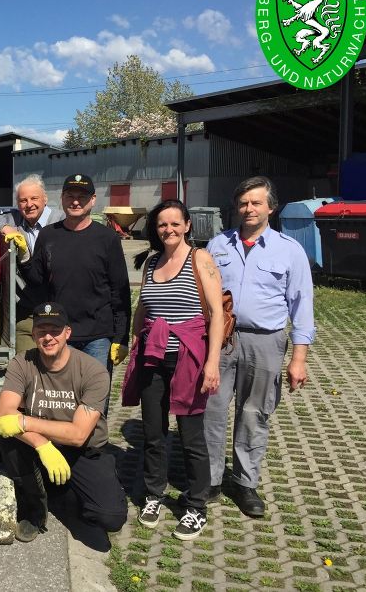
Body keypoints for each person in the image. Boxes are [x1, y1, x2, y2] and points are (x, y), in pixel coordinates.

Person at [204, 176, 314, 518]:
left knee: (254, 413)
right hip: (221, 340)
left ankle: (245, 482)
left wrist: (299, 358)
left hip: (266, 342)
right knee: (211, 409)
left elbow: (302, 306)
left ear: (271, 207)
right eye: (243, 203)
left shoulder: (289, 250)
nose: (248, 209)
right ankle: (209, 479)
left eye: (256, 203)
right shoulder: (217, 245)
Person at [120, 199, 223, 540]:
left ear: (188, 225)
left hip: (188, 358)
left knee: (192, 437)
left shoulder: (200, 259)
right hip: (153, 357)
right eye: (162, 224)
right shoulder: (151, 262)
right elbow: (143, 307)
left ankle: (196, 506)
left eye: (175, 224)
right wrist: (136, 340)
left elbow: (217, 314)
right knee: (153, 432)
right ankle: (153, 494)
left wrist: (212, 362)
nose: (169, 229)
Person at [0, 302, 128, 542]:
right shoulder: (22, 363)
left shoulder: (93, 371)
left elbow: (77, 434)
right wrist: (42, 444)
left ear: (67, 332)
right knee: (8, 440)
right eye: (41, 330)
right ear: (33, 333)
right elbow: (4, 415)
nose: (48, 337)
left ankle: (61, 491)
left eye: (54, 330)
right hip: (39, 445)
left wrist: (25, 422)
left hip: (82, 450)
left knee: (110, 516)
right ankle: (33, 510)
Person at [28, 174, 131, 410]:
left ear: (93, 200)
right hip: (60, 335)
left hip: (98, 337)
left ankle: (94, 448)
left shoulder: (107, 238)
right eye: (70, 196)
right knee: (61, 403)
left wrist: (121, 338)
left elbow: (120, 291)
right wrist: (24, 257)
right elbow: (38, 284)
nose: (75, 202)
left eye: (82, 197)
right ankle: (65, 446)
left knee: (94, 404)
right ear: (62, 199)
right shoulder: (48, 235)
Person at [0, 175, 65, 353]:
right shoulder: (14, 219)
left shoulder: (61, 221)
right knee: (27, 365)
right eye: (23, 200)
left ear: (45, 199)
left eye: (34, 198)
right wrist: (4, 228)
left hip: (59, 307)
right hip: (27, 310)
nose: (29, 204)